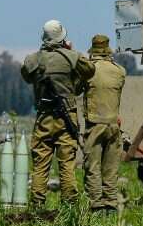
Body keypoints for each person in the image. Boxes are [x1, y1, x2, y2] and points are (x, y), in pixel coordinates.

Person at [20, 20, 95, 207]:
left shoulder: (33, 59)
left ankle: (37, 206)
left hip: (44, 118)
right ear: (62, 37)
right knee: (67, 164)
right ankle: (70, 206)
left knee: (40, 165)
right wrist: (69, 53)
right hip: (66, 118)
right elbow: (90, 71)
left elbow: (26, 75)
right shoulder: (72, 57)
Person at [82, 34, 126, 212]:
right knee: (111, 168)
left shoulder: (89, 70)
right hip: (114, 125)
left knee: (93, 167)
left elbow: (77, 88)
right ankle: (111, 204)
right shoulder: (119, 71)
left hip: (95, 124)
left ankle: (96, 205)